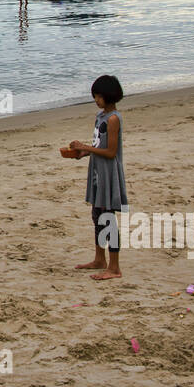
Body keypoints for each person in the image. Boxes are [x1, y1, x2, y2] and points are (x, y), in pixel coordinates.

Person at [66, 75, 127, 281]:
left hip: (108, 174)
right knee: (97, 215)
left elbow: (111, 152)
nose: (96, 100)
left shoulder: (113, 119)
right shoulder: (100, 117)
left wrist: (85, 147)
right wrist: (83, 153)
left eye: (98, 96)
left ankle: (115, 267)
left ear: (108, 96)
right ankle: (100, 259)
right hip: (97, 171)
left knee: (108, 218)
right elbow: (99, 145)